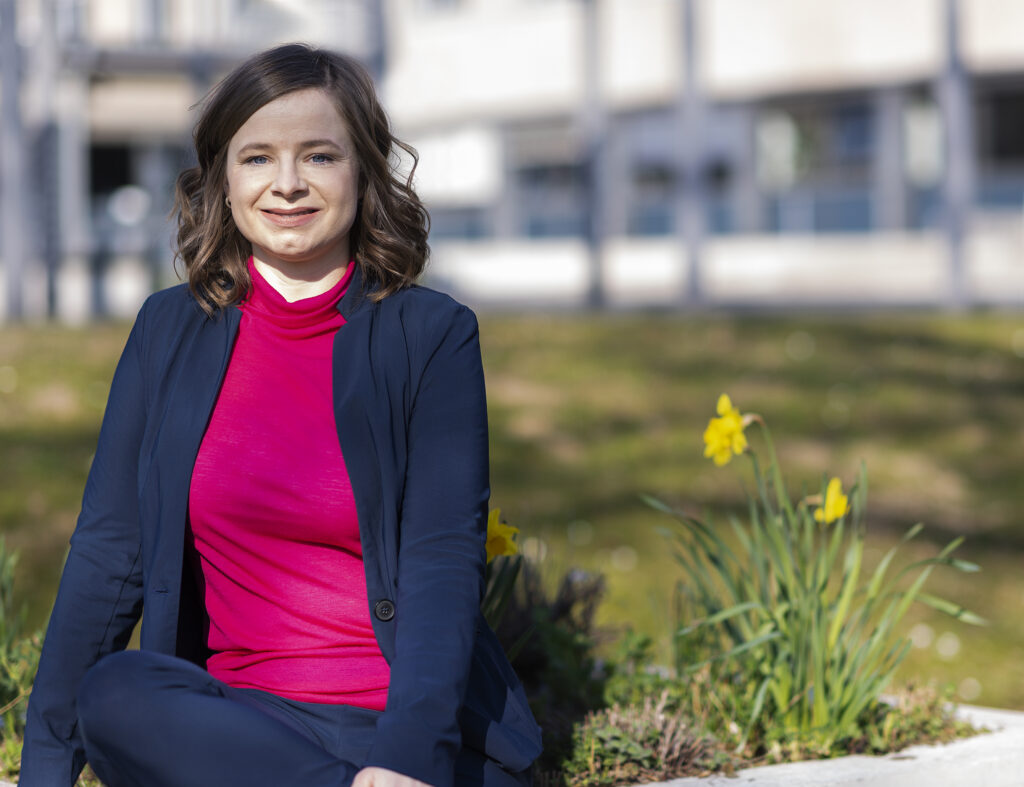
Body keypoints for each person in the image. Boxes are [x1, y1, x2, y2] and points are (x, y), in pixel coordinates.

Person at [19, 43, 542, 787]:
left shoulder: (432, 335)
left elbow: (440, 561)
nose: (288, 184)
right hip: (238, 731)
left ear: (362, 170)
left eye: (320, 157)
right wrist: (44, 769)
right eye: (258, 157)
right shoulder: (168, 330)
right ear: (223, 177)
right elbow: (109, 553)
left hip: (403, 738)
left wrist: (403, 760)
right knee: (117, 693)